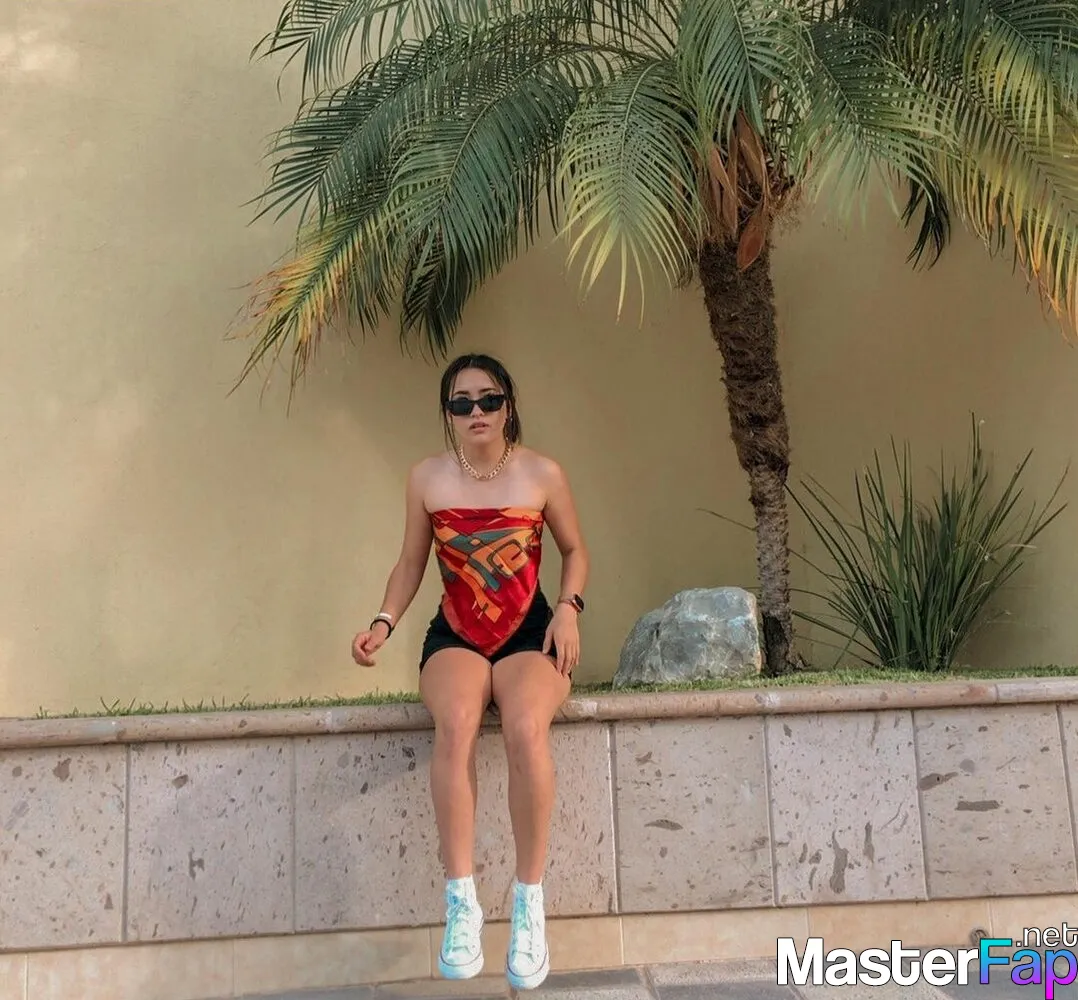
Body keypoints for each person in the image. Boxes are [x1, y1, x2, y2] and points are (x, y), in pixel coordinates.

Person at [350, 352, 588, 991]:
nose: (476, 411)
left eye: (488, 399)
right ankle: (461, 903)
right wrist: (383, 622)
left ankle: (529, 907)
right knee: (455, 723)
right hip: (455, 633)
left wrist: (569, 610)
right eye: (461, 403)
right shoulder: (427, 478)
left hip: (531, 633)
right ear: (448, 413)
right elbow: (410, 562)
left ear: (508, 404)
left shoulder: (542, 472)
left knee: (525, 728)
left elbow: (574, 549)